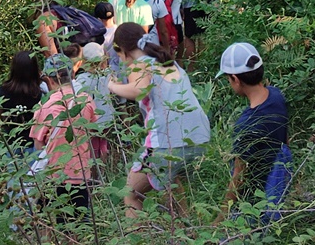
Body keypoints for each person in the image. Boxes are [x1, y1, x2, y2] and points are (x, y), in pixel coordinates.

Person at [107, 23, 210, 218]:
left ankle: (136, 239)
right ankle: (187, 230)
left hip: (168, 141)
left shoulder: (140, 64)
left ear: (123, 50)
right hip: (199, 136)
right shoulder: (166, 61)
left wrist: (112, 86)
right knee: (171, 176)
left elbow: (140, 90)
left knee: (130, 193)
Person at [216, 42, 289, 218]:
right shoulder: (277, 96)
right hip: (279, 181)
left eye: (228, 79)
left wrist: (221, 216)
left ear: (235, 79)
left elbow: (238, 177)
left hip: (253, 203)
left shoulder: (246, 124)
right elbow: (286, 140)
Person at [30, 54, 98, 222]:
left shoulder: (46, 106)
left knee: (51, 223)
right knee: (79, 223)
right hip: (81, 173)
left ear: (48, 79)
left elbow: (38, 146)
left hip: (53, 176)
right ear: (72, 74)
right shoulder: (86, 100)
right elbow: (92, 134)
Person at [73, 42, 116, 163]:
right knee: (103, 144)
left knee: (92, 146)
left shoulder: (82, 79)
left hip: (92, 119)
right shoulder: (108, 75)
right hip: (107, 116)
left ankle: (94, 171)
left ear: (84, 60)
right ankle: (104, 167)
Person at [0, 51, 43, 156]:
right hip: (34, 144)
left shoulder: (2, 91)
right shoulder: (39, 93)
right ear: (35, 69)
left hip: (12, 143)